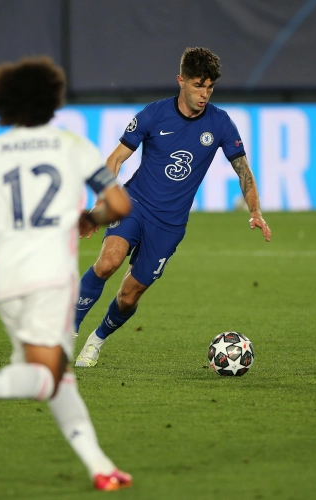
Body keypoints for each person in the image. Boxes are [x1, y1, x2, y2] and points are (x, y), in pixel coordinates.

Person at [0, 56, 134, 491]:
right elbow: (119, 205)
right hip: (50, 279)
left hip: (4, 283)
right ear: (52, 100)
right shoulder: (71, 146)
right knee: (45, 377)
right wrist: (91, 218)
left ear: (4, 104)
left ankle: (99, 466)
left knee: (58, 376)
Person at [74, 47, 271, 368]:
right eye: (198, 86)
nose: (204, 94)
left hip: (169, 226)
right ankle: (70, 327)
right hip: (133, 205)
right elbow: (115, 159)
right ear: (181, 81)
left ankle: (96, 340)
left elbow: (243, 170)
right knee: (108, 262)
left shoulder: (220, 123)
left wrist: (255, 211)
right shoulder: (153, 114)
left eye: (210, 88)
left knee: (129, 295)